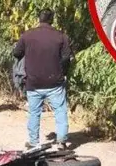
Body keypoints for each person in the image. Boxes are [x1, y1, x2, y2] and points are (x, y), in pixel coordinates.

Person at [12, 8, 74, 150]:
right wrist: (63, 72)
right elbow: (66, 58)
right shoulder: (61, 36)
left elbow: (16, 53)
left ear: (38, 19)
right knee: (60, 111)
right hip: (55, 82)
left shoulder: (27, 36)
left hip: (33, 82)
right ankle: (62, 142)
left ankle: (34, 142)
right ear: (52, 20)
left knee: (34, 112)